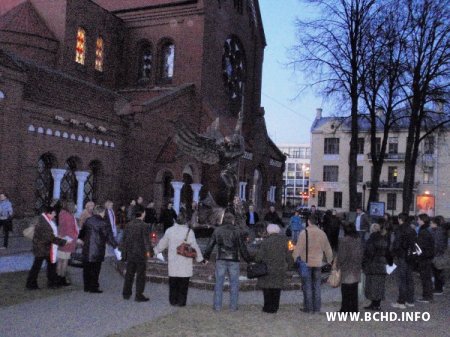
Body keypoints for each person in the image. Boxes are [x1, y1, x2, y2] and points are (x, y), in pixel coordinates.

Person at [203, 212, 252, 311]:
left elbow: (210, 245)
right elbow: (242, 247)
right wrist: (249, 260)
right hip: (233, 259)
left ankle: (217, 306)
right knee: (234, 284)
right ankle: (233, 307)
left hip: (221, 258)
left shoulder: (217, 230)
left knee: (219, 283)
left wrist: (206, 258)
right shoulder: (236, 231)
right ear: (232, 220)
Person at [154, 209, 203, 306]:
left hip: (173, 261)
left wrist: (155, 251)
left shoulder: (170, 231)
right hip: (185, 261)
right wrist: (200, 259)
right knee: (183, 284)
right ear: (186, 221)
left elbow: (162, 244)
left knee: (173, 282)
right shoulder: (189, 232)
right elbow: (195, 246)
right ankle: (181, 302)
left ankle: (173, 301)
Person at [292, 216, 333, 313]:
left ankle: (308, 308)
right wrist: (330, 260)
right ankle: (317, 308)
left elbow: (299, 248)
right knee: (317, 286)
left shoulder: (304, 233)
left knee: (307, 286)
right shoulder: (322, 233)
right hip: (318, 262)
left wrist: (294, 257)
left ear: (308, 222)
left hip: (306, 262)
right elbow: (327, 248)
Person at [79, 205, 121, 293]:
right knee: (95, 269)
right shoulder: (103, 223)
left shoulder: (88, 220)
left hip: (87, 247)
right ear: (102, 212)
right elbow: (109, 236)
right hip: (97, 248)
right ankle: (94, 287)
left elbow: (82, 232)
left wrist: (81, 239)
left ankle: (86, 286)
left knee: (87, 268)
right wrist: (116, 245)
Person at [26, 207, 68, 290]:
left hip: (44, 247)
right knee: (38, 266)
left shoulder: (45, 220)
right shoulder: (44, 223)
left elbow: (51, 235)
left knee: (49, 265)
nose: (55, 215)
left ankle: (51, 282)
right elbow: (50, 237)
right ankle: (32, 284)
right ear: (49, 213)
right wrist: (64, 242)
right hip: (42, 248)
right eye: (54, 214)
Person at [254, 224, 293, 313]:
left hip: (267, 268)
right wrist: (290, 265)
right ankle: (275, 307)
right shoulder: (284, 241)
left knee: (267, 288)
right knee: (277, 288)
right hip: (280, 268)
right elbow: (289, 255)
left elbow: (259, 257)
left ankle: (267, 307)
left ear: (268, 231)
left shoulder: (265, 242)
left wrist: (256, 260)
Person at [121, 209, 152, 302]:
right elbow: (146, 241)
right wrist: (150, 252)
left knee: (129, 274)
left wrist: (124, 253)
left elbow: (124, 239)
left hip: (130, 253)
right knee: (140, 275)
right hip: (140, 254)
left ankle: (126, 293)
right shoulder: (145, 226)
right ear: (142, 214)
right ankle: (139, 295)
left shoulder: (129, 224)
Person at [391, 213, 417, 309]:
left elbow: (397, 244)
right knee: (409, 278)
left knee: (402, 279)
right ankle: (410, 300)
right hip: (410, 257)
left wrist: (393, 253)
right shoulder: (412, 230)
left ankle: (401, 301)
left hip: (402, 256)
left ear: (400, 219)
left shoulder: (399, 230)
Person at [335, 222, 363, 312]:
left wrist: (338, 265)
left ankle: (345, 308)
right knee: (354, 290)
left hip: (347, 268)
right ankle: (354, 309)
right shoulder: (358, 240)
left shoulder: (344, 241)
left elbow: (342, 256)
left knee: (345, 290)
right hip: (356, 267)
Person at [363, 223, 390, 311]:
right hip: (382, 264)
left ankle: (374, 303)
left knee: (372, 284)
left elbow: (368, 252)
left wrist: (364, 263)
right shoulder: (384, 239)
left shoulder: (371, 239)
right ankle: (377, 304)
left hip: (373, 264)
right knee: (380, 284)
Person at [57, 201, 79, 286]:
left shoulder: (62, 213)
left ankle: (58, 277)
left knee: (60, 260)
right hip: (67, 241)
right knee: (65, 261)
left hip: (61, 239)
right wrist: (76, 239)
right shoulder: (69, 217)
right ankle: (62, 279)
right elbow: (70, 231)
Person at [416, 214, 435, 303]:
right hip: (428, 256)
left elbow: (420, 246)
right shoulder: (428, 230)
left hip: (424, 257)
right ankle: (428, 295)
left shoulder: (423, 231)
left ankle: (427, 296)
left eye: (419, 219)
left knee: (425, 278)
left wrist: (417, 255)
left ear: (422, 220)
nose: (417, 221)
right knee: (427, 277)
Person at [430, 216, 448, 295]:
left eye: (431, 223)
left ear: (435, 223)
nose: (430, 224)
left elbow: (436, 245)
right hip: (439, 254)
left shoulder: (438, 232)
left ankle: (438, 289)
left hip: (437, 255)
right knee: (439, 271)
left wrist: (433, 253)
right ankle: (439, 287)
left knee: (437, 272)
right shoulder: (440, 231)